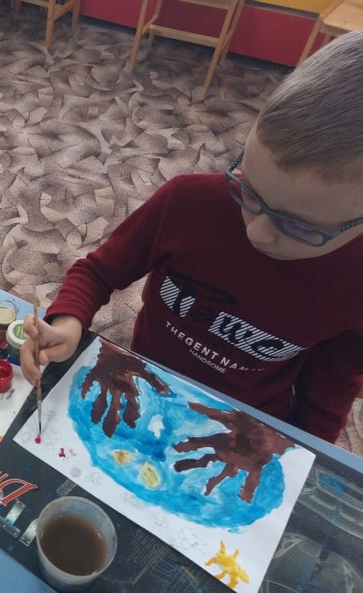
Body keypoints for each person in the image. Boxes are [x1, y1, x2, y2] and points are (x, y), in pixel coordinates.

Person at [20, 30, 363, 444]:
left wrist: (310, 452)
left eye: (300, 226)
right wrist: (68, 323)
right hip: (145, 380)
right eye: (248, 189)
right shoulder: (189, 201)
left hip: (242, 423)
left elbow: (328, 393)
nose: (257, 231)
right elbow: (98, 272)